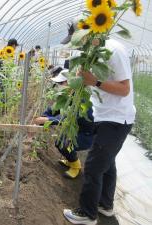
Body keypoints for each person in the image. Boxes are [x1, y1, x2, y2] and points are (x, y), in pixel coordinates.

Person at [61, 23, 136, 224]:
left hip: (117, 119)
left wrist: (95, 82)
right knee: (108, 164)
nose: (78, 47)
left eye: (78, 41)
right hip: (104, 117)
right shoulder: (92, 54)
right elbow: (90, 82)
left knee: (94, 166)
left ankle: (87, 214)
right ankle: (105, 205)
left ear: (87, 33)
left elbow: (124, 89)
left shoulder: (113, 49)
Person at [34, 71, 94, 179]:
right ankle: (70, 160)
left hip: (88, 134)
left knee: (65, 143)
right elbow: (54, 109)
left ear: (70, 83)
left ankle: (76, 166)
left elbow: (67, 118)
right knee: (60, 142)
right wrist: (44, 117)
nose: (59, 86)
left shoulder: (81, 98)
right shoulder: (67, 95)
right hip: (77, 129)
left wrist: (47, 120)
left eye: (61, 83)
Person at [0, 38, 19, 104]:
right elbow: (3, 63)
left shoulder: (7, 50)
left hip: (4, 73)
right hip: (2, 73)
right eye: (15, 46)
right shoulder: (6, 51)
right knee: (3, 89)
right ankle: (2, 103)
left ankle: (3, 102)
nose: (15, 48)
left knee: (4, 89)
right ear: (13, 45)